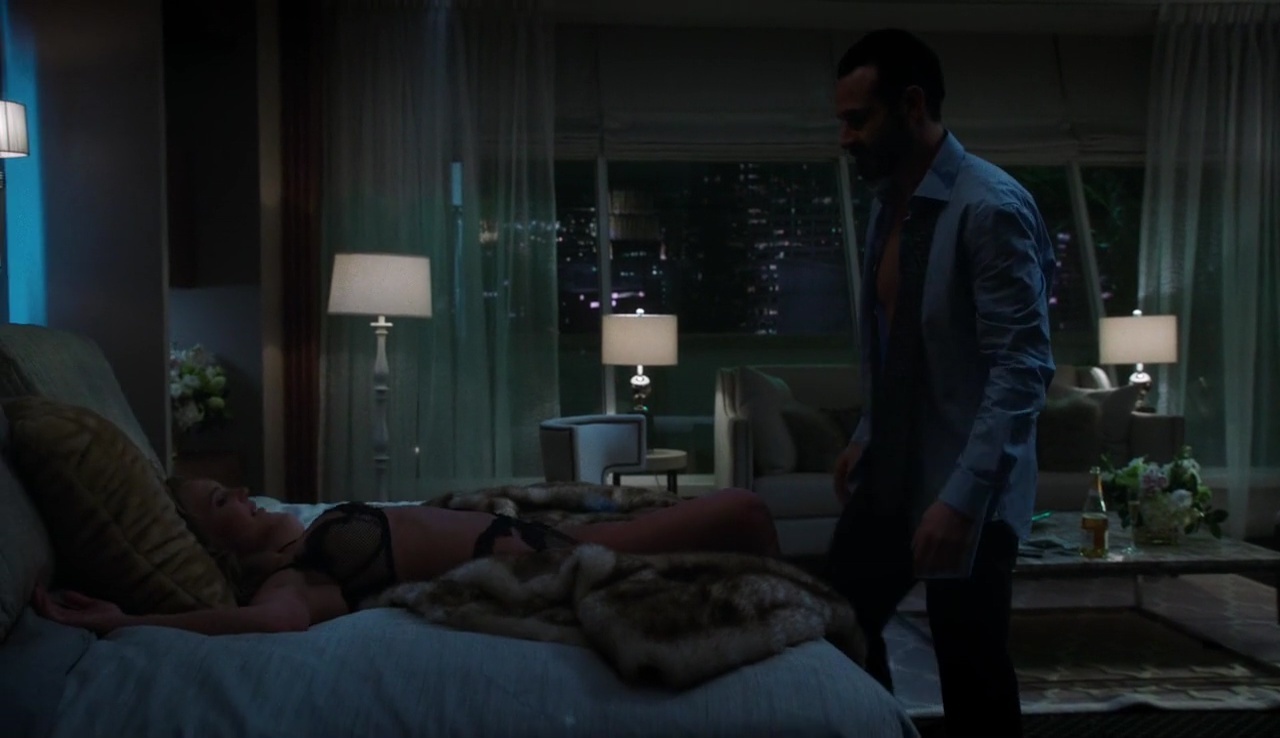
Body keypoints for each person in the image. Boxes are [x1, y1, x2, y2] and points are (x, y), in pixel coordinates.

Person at [828, 29, 1055, 738]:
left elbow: (1022, 367)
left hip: (971, 484)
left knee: (972, 672)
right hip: (893, 471)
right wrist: (867, 430)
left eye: (858, 119)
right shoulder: (885, 205)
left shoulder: (992, 208)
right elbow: (897, 341)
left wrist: (961, 501)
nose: (845, 138)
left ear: (912, 105)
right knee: (837, 624)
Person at [33, 480, 780, 636]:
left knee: (737, 525)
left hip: (539, 534)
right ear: (210, 541)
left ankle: (805, 609)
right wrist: (124, 621)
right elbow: (275, 623)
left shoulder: (300, 536)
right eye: (221, 501)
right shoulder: (292, 575)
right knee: (743, 512)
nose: (242, 495)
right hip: (556, 559)